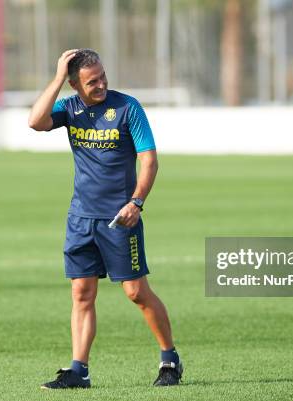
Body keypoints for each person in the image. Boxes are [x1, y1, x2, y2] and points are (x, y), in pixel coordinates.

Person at [28, 49, 183, 389]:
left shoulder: (128, 108)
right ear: (74, 85)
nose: (100, 85)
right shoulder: (69, 107)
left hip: (120, 219)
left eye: (102, 77)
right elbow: (35, 122)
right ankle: (78, 370)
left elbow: (150, 160)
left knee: (136, 292)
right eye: (91, 81)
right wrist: (56, 79)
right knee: (82, 294)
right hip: (80, 218)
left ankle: (169, 358)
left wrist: (136, 202)